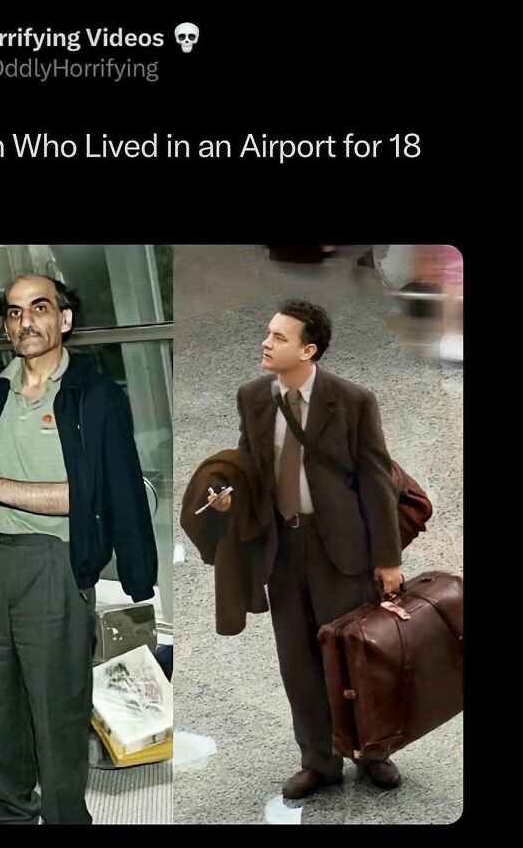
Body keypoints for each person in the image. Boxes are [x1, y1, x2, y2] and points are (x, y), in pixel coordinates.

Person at [0, 273, 158, 825]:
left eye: (39, 308)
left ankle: (65, 817)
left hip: (55, 564)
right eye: (13, 312)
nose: (25, 321)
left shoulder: (95, 397)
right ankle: (12, 811)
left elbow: (97, 495)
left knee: (56, 708)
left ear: (64, 319)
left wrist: (137, 577)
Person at [208, 299, 403, 799]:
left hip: (340, 546)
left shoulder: (352, 400)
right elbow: (250, 463)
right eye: (268, 333)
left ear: (308, 349)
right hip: (283, 545)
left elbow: (377, 483)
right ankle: (319, 761)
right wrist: (230, 494)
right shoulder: (253, 395)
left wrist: (388, 560)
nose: (266, 343)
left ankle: (373, 752)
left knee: (353, 656)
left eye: (278, 337)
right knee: (298, 660)